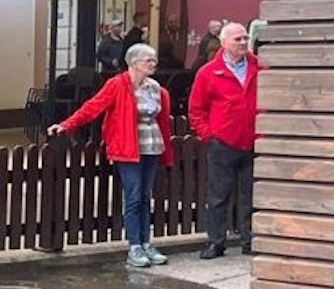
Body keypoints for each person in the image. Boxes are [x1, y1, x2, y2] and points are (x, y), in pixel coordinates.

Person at [49, 42, 175, 269]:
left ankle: (146, 243)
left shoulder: (157, 88)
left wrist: (167, 151)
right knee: (134, 196)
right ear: (134, 63)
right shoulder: (117, 85)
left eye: (154, 60)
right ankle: (134, 245)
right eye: (149, 60)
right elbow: (93, 107)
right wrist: (67, 125)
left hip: (152, 147)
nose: (154, 64)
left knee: (146, 197)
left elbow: (163, 121)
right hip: (128, 149)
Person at [188, 21, 259, 258]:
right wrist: (209, 136)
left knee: (251, 195)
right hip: (223, 143)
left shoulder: (259, 68)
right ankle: (216, 241)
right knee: (218, 196)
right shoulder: (208, 72)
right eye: (237, 39)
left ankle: (250, 240)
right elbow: (196, 109)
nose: (243, 43)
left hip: (253, 141)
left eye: (245, 38)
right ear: (224, 42)